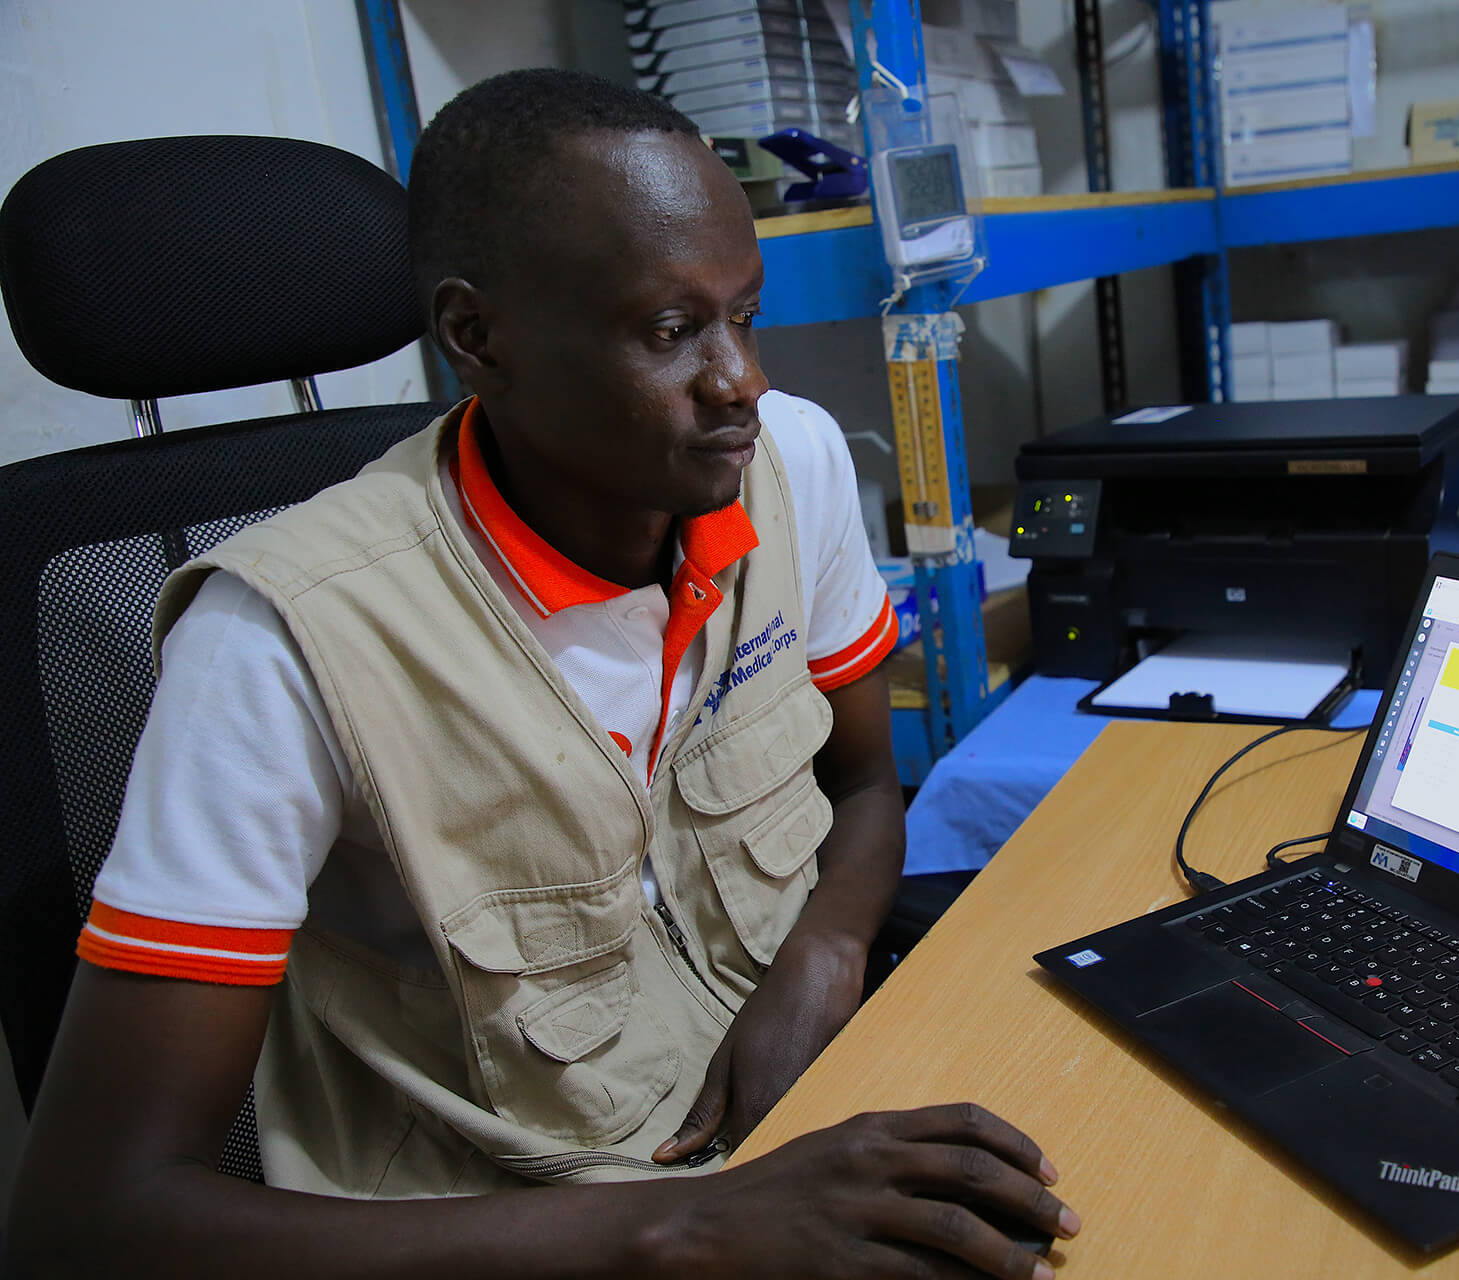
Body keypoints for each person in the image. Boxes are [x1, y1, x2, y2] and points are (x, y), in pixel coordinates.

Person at [5, 69, 1076, 1278]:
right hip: (523, 1227)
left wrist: (823, 953)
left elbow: (868, 788)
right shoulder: (280, 641)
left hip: (812, 1130)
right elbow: (89, 1216)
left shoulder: (796, 467)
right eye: (672, 332)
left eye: (746, 315)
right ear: (477, 338)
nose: (742, 383)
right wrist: (690, 1228)